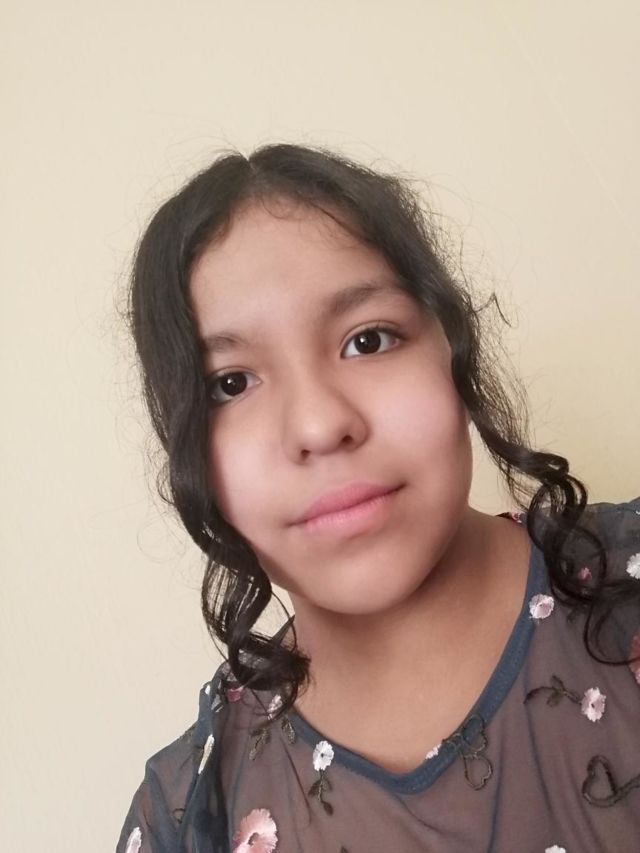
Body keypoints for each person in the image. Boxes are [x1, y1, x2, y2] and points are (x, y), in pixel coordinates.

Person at [116, 143, 640, 853]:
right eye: (230, 384)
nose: (319, 424)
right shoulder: (188, 817)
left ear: (453, 346)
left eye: (368, 340)